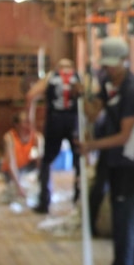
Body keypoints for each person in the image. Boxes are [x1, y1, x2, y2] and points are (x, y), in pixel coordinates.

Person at [79, 36, 134, 265]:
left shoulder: (133, 91)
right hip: (111, 159)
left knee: (123, 222)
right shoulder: (109, 83)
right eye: (106, 66)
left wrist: (92, 146)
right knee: (124, 218)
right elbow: (93, 113)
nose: (109, 69)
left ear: (124, 61)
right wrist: (87, 98)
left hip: (128, 164)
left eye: (113, 65)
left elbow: (124, 136)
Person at [26, 57, 83, 214]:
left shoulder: (51, 77)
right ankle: (79, 200)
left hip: (55, 121)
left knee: (47, 161)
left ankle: (45, 200)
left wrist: (30, 119)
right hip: (74, 121)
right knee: (78, 162)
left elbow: (31, 95)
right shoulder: (79, 77)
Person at [0, 110, 44, 203]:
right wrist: (19, 187)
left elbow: (40, 161)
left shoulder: (37, 137)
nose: (28, 125)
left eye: (29, 122)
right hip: (12, 170)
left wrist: (42, 183)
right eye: (25, 122)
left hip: (27, 167)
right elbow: (11, 164)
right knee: (14, 191)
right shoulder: (9, 138)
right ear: (17, 124)